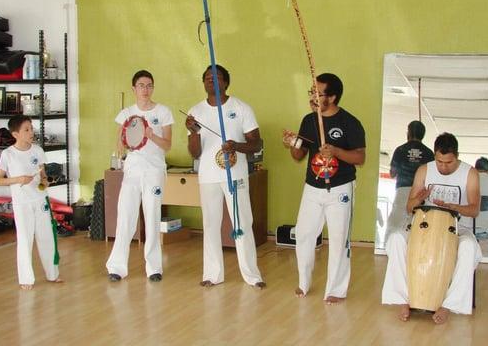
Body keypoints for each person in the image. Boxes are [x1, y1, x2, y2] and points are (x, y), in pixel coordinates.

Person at [282, 73, 366, 304]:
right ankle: (304, 282)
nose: (313, 97)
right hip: (312, 186)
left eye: (318, 94)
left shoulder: (350, 123)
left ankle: (335, 290)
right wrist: (293, 143)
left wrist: (337, 152)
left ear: (333, 97)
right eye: (312, 92)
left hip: (340, 189)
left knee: (339, 240)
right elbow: (299, 155)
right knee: (304, 234)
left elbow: (360, 157)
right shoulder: (309, 121)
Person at [382, 133, 482, 324]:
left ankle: (449, 305)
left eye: (449, 162)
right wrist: (419, 198)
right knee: (395, 239)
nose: (443, 166)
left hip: (457, 227)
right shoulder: (424, 170)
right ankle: (403, 299)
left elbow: (474, 209)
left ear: (457, 156)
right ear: (434, 155)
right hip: (423, 225)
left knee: (468, 247)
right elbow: (410, 207)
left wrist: (453, 207)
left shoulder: (470, 173)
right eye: (439, 161)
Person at [185, 64, 265, 288]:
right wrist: (193, 132)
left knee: (242, 223)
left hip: (235, 174)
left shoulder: (241, 108)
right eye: (208, 78)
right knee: (210, 224)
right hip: (208, 177)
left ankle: (252, 275)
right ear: (203, 83)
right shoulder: (196, 112)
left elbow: (256, 143)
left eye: (217, 77)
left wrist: (236, 146)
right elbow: (195, 152)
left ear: (226, 82)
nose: (212, 81)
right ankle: (212, 274)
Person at [106, 70, 173, 282]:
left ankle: (154, 267)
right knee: (125, 217)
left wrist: (151, 135)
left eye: (149, 85)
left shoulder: (163, 112)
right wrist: (127, 142)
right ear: (134, 88)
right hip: (132, 172)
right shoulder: (126, 114)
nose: (145, 89)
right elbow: (119, 144)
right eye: (141, 85)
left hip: (154, 172)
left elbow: (168, 145)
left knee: (152, 216)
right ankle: (116, 267)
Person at [0, 114, 62, 290]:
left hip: (40, 201)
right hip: (22, 203)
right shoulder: (8, 154)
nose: (31, 132)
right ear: (15, 134)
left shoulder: (38, 151)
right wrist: (18, 179)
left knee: (46, 237)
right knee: (25, 240)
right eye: (27, 129)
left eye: (31, 128)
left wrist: (45, 181)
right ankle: (26, 278)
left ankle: (52, 274)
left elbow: (43, 175)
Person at [385, 121, 434, 241]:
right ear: (423, 135)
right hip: (420, 193)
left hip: (403, 191)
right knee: (418, 222)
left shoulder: (400, 150)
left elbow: (392, 174)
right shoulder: (428, 153)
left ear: (409, 133)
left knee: (396, 223)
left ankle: (390, 247)